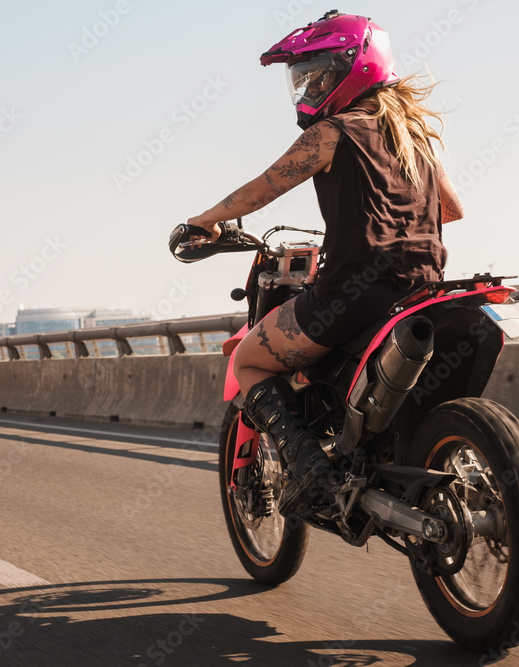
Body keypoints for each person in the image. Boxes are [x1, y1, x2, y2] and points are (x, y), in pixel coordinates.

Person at [186, 11, 464, 515]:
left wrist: (204, 220)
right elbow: (452, 209)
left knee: (247, 360)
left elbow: (261, 189)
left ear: (356, 67)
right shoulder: (414, 137)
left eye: (320, 74)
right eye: (306, 77)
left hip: (354, 295)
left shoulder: (334, 132)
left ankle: (309, 464)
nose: (311, 86)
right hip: (425, 290)